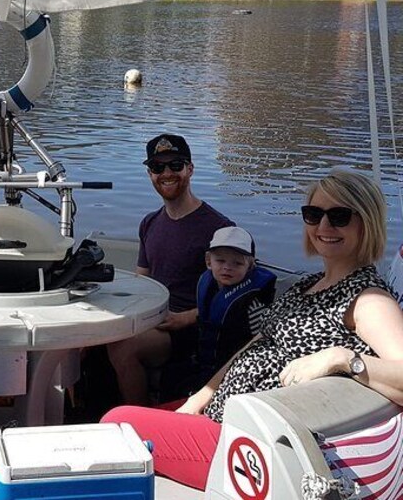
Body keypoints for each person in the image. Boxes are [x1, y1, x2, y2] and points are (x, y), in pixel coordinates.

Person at [101, 169, 403, 490]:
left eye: (340, 216)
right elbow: (254, 346)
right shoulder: (306, 285)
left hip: (251, 448)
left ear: (366, 222)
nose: (323, 226)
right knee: (120, 424)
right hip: (219, 415)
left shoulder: (368, 299)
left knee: (115, 425)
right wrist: (201, 398)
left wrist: (343, 358)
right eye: (313, 214)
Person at [106, 133, 234, 405]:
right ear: (150, 173)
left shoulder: (219, 230)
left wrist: (184, 318)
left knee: (123, 347)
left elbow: (233, 300)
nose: (166, 173)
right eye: (157, 167)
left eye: (175, 165)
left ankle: (137, 424)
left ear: (190, 169)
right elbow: (142, 283)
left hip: (189, 331)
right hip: (152, 319)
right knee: (84, 340)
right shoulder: (149, 223)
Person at [190, 226, 276, 391]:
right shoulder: (208, 285)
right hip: (204, 364)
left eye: (237, 263)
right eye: (220, 261)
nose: (227, 267)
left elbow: (261, 341)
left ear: (249, 267)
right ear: (209, 261)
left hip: (232, 373)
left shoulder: (253, 303)